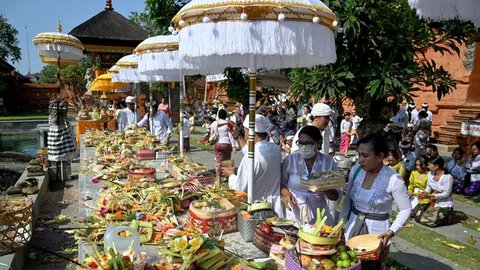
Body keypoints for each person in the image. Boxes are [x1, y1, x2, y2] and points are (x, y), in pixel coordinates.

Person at [340, 133, 411, 268]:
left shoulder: (394, 179)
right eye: (359, 154)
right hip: (352, 226)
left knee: (372, 266)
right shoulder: (356, 171)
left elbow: (406, 209)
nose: (360, 160)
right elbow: (348, 199)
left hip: (377, 233)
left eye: (365, 156)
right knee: (349, 263)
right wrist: (341, 223)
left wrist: (391, 231)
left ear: (380, 156)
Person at [222, 115, 284, 217]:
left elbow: (239, 189)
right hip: (276, 208)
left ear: (250, 132)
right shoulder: (274, 149)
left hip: (258, 210)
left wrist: (231, 175)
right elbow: (251, 153)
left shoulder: (251, 158)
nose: (244, 133)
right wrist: (237, 135)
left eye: (245, 131)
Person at [280, 126, 339, 225]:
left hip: (319, 216)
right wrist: (286, 194)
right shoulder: (290, 160)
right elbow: (281, 184)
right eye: (301, 143)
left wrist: (323, 187)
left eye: (308, 143)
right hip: (294, 214)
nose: (303, 147)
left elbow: (335, 196)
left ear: (318, 143)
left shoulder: (328, 162)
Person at [417, 156, 454, 226]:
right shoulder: (430, 174)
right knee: (418, 217)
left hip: (444, 203)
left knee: (429, 222)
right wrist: (425, 193)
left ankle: (447, 216)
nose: (428, 167)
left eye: (429, 165)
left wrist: (431, 195)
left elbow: (446, 194)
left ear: (437, 166)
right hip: (433, 202)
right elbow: (429, 186)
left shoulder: (447, 177)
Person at [210, 109, 235, 177]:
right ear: (226, 115)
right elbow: (230, 135)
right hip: (227, 144)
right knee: (226, 161)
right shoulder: (228, 123)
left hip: (217, 144)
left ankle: (218, 178)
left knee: (218, 162)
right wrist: (233, 146)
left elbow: (211, 132)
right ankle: (227, 176)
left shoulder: (214, 123)